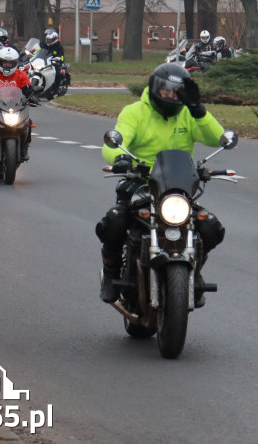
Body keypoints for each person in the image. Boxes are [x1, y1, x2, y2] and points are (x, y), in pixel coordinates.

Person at [97, 63, 226, 304]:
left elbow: (215, 137)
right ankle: (111, 271)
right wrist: (121, 157)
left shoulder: (189, 113)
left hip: (177, 188)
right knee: (115, 220)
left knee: (209, 227)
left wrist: (198, 109)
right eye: (165, 90)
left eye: (177, 92)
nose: (170, 95)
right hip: (140, 183)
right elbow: (115, 140)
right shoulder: (135, 112)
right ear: (154, 88)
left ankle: (194, 270)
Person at [40, 28, 66, 97]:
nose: (49, 41)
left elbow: (62, 56)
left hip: (54, 64)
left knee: (57, 73)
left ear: (55, 39)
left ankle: (55, 89)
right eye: (48, 39)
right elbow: (38, 51)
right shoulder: (43, 44)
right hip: (44, 62)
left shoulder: (58, 46)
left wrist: (58, 59)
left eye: (50, 40)